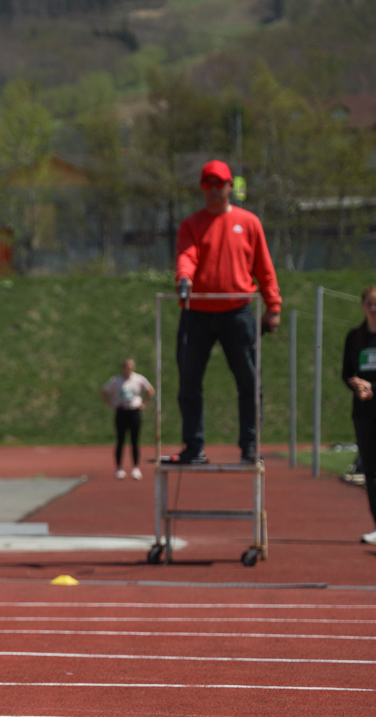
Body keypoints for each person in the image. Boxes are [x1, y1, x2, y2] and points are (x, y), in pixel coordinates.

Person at [173, 160, 281, 465]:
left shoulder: (249, 223)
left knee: (248, 381)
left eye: (219, 183)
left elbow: (264, 269)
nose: (214, 190)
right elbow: (187, 256)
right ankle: (194, 446)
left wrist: (273, 306)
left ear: (231, 186)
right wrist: (184, 279)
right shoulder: (190, 225)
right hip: (197, 313)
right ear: (201, 188)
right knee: (189, 380)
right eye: (208, 184)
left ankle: (249, 444)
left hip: (238, 312)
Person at [342, 285, 376, 544]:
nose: (374, 308)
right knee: (371, 472)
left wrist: (372, 387)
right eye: (370, 303)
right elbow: (346, 372)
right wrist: (356, 384)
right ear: (363, 305)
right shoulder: (355, 337)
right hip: (363, 413)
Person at [100, 358, 155, 480]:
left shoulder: (139, 379)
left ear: (133, 367)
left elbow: (150, 391)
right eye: (126, 366)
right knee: (120, 440)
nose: (128, 369)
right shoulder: (116, 380)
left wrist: (144, 404)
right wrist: (111, 404)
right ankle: (119, 468)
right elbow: (104, 391)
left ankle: (136, 468)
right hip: (121, 411)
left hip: (134, 411)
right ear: (122, 367)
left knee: (135, 441)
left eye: (130, 366)